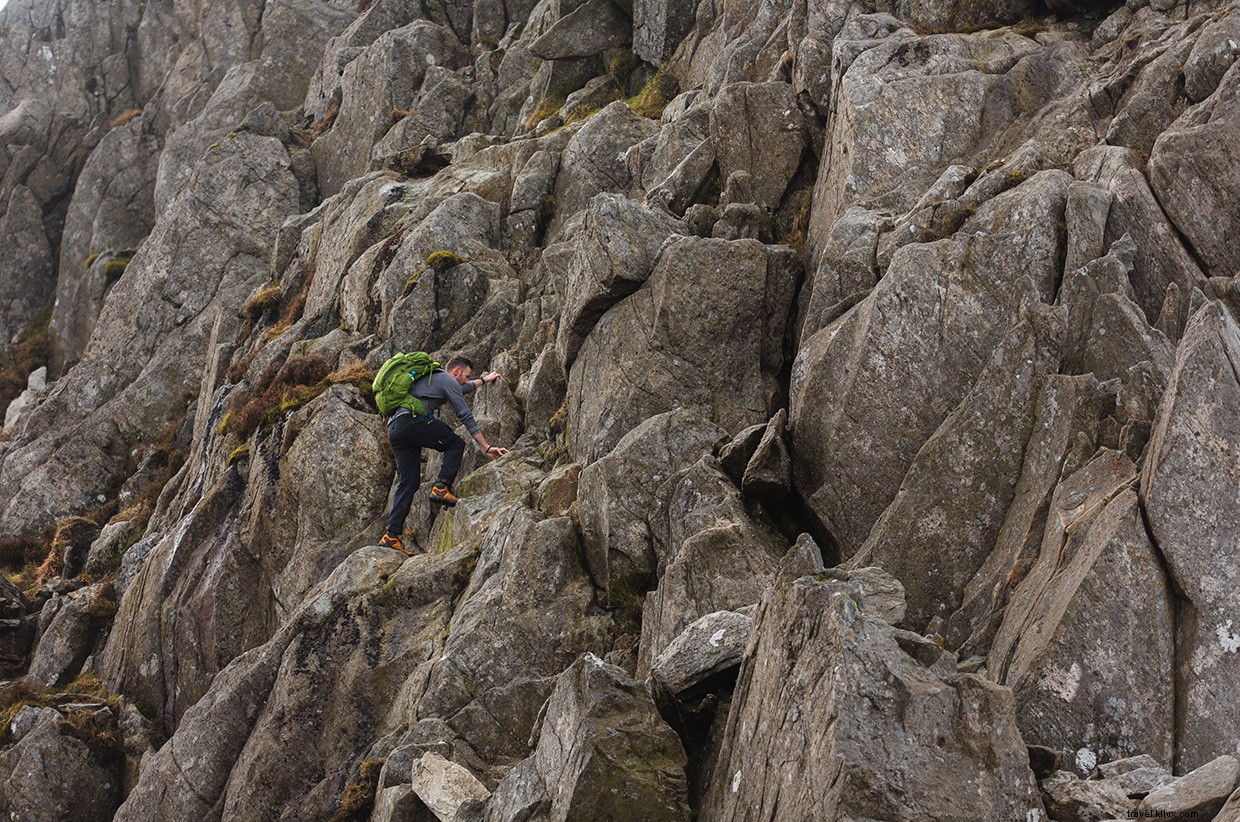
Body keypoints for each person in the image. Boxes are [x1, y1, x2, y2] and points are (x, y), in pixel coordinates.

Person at [380, 355, 509, 555]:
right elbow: (465, 414)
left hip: (396, 428)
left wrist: (482, 381)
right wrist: (486, 446)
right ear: (456, 371)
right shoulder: (446, 379)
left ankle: (390, 536)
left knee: (409, 483)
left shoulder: (434, 379)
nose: (467, 380)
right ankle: (441, 487)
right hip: (412, 421)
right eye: (466, 375)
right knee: (455, 443)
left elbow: (461, 388)